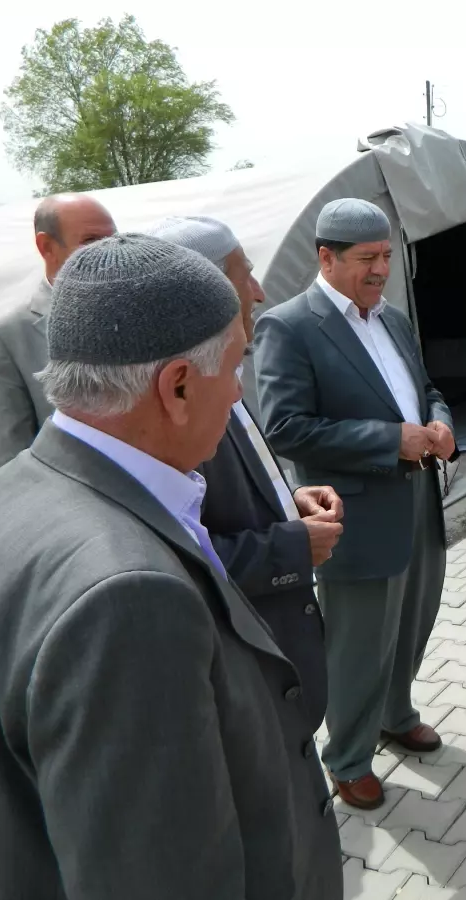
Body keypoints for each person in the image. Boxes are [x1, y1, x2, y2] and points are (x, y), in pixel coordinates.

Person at [0, 234, 342, 899]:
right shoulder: (128, 600)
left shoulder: (8, 491)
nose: (235, 396)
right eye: (232, 369)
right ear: (175, 386)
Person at [255, 198, 455, 811]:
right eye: (366, 258)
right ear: (326, 257)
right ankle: (347, 758)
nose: (379, 270)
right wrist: (390, 440)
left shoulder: (390, 319)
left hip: (418, 498)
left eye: (387, 257)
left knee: (413, 621)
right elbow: (285, 426)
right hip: (356, 517)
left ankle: (395, 714)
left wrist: (441, 423)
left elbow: (425, 390)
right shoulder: (290, 326)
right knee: (358, 642)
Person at [148, 215, 344, 731]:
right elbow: (175, 562)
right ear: (205, 293)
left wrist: (288, 500)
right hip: (242, 670)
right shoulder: (179, 410)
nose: (258, 292)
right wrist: (290, 547)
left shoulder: (223, 373)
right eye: (245, 276)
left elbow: (239, 483)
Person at [0, 193, 116, 472]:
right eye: (91, 241)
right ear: (47, 246)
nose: (109, 252)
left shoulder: (138, 311)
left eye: (115, 239)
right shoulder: (2, 335)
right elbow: (12, 459)